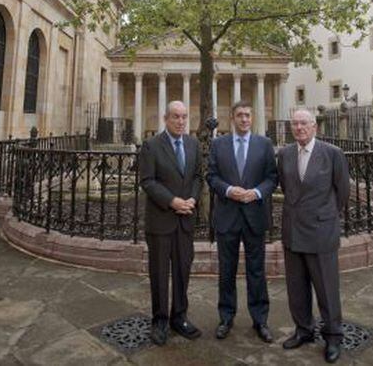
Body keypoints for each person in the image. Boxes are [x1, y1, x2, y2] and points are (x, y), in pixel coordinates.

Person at [278, 109, 350, 364]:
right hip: (293, 231)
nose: (299, 128)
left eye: (304, 123)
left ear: (314, 127)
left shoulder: (332, 154)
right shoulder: (285, 154)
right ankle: (304, 330)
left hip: (321, 233)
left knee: (327, 289)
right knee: (296, 288)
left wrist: (324, 216)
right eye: (295, 124)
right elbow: (288, 189)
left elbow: (342, 192)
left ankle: (332, 336)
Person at [207, 100, 278, 343]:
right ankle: (226, 317)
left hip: (254, 217)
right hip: (227, 216)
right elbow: (212, 176)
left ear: (252, 118)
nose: (244, 119)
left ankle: (260, 320)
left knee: (256, 271)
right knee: (226, 271)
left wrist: (256, 192)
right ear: (232, 118)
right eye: (240, 115)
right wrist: (228, 190)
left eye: (248, 115)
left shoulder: (265, 144)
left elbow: (272, 178)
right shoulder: (218, 144)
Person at [139, 100, 203, 346]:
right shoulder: (152, 145)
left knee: (182, 271)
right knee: (159, 273)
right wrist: (173, 201)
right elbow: (148, 181)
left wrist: (192, 200)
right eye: (175, 116)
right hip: (161, 220)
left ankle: (179, 317)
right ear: (166, 118)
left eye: (184, 117)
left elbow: (198, 176)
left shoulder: (193, 143)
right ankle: (160, 321)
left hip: (185, 219)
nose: (180, 121)